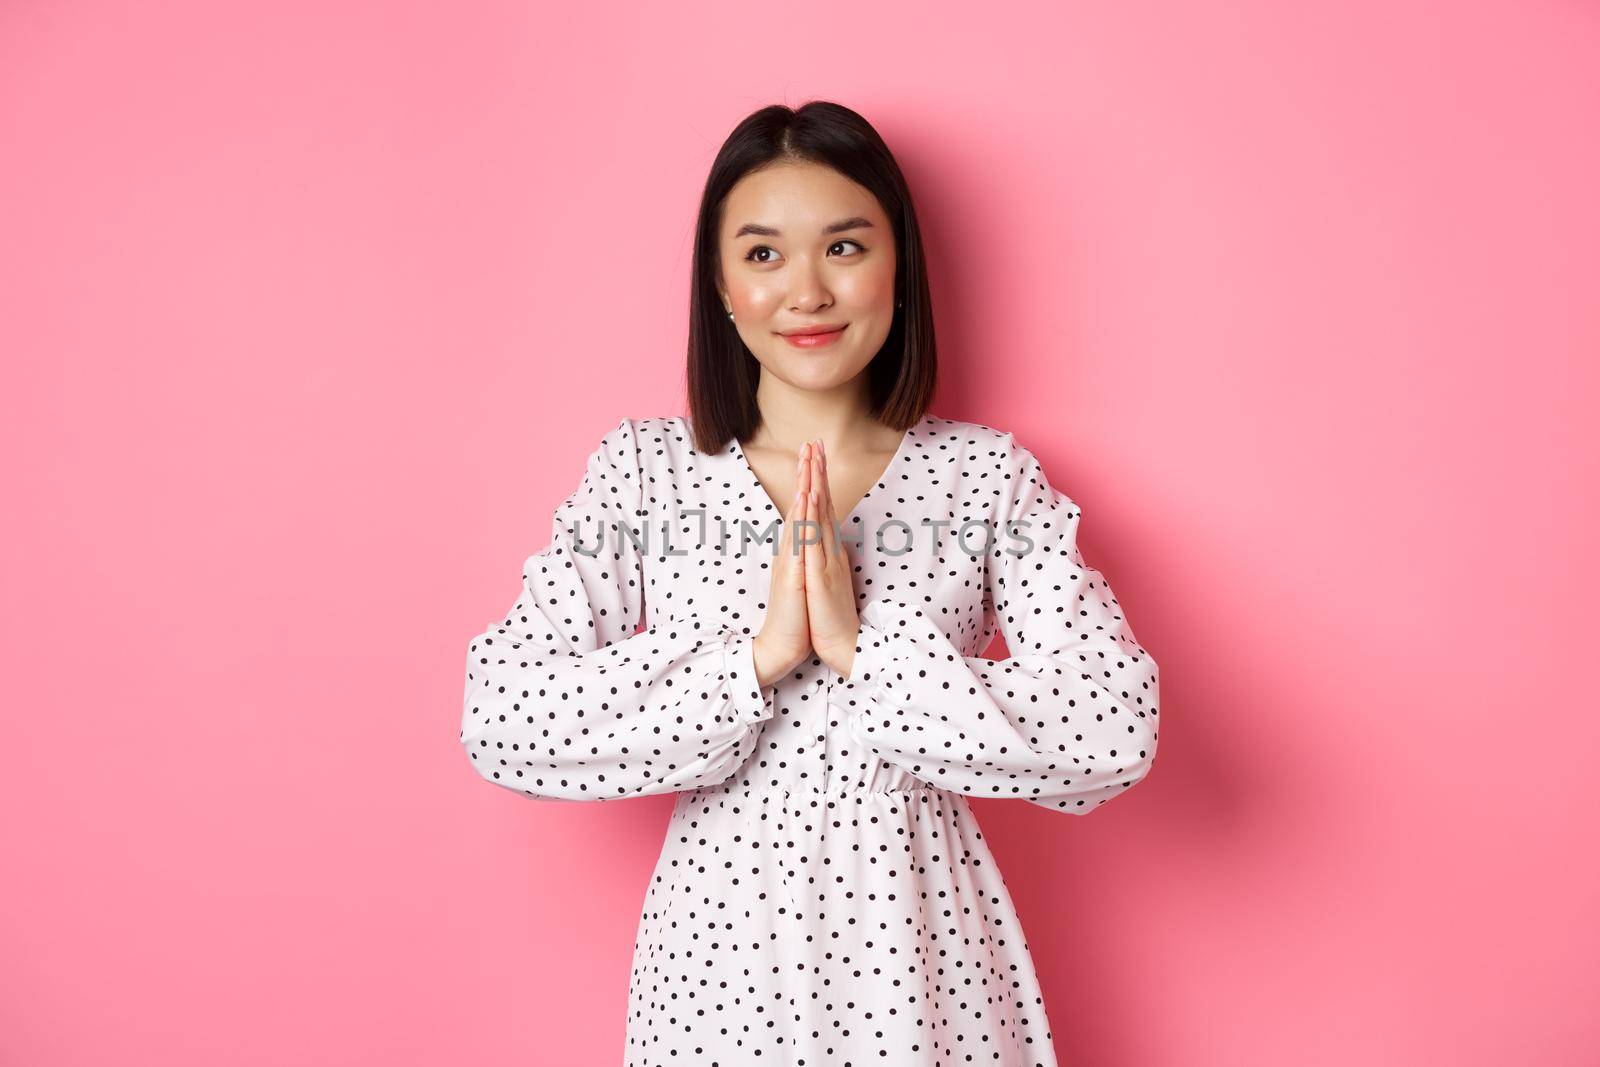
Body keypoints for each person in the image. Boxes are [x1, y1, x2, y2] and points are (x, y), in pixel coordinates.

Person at [459, 99, 1161, 1065]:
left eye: (844, 246)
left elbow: (1113, 728)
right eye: (762, 254)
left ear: (898, 265)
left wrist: (866, 650)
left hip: (925, 965)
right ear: (720, 284)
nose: (807, 292)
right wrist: (755, 661)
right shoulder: (643, 475)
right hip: (716, 974)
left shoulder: (985, 479)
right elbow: (503, 716)